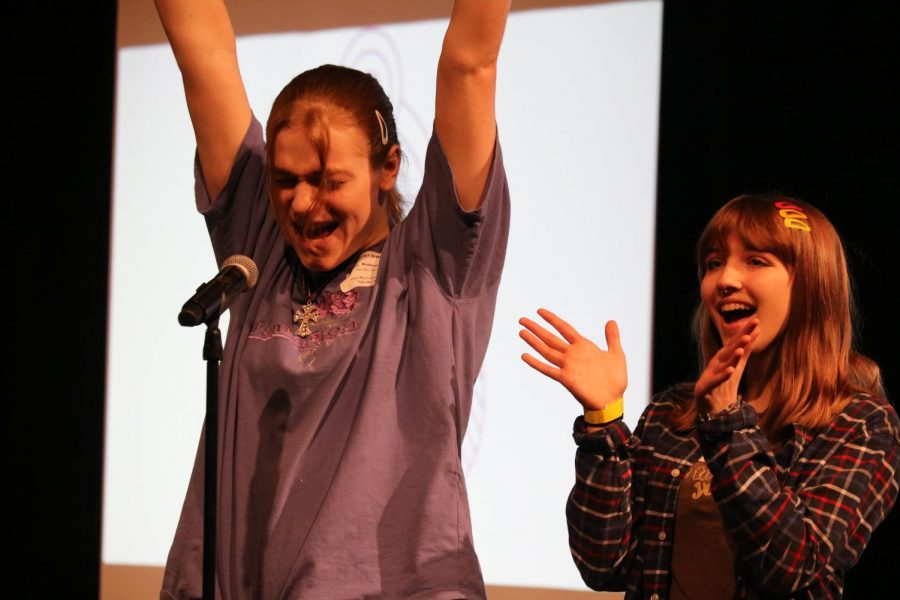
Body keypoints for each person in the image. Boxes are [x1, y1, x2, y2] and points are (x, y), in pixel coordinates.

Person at [154, 0, 511, 598]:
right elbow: (202, 53)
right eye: (286, 180)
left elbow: (469, 64)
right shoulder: (258, 246)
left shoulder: (435, 262)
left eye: (327, 181)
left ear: (389, 167)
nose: (299, 203)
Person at [518, 194, 900, 599]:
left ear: (810, 284)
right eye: (714, 263)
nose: (725, 280)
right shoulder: (672, 413)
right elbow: (604, 565)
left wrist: (726, 423)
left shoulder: (859, 422)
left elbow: (791, 565)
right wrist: (603, 418)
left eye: (756, 260)